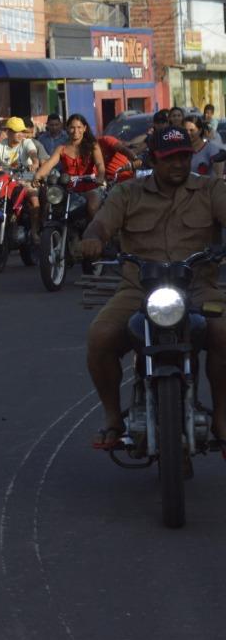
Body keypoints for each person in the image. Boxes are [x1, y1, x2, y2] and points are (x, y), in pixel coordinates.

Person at [80, 126, 226, 451]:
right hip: (138, 289)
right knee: (100, 337)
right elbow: (102, 222)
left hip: (199, 288)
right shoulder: (127, 193)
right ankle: (113, 418)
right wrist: (93, 238)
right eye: (169, 158)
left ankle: (222, 416)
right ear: (153, 160)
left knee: (224, 333)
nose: (177, 164)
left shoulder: (211, 188)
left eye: (183, 157)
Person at [35, 113, 106, 219]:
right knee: (50, 207)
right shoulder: (61, 148)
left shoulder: (92, 145)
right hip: (68, 189)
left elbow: (100, 164)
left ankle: (96, 234)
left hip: (90, 187)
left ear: (84, 128)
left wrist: (100, 176)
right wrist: (37, 176)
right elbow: (49, 164)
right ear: (67, 129)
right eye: (72, 127)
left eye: (79, 127)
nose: (76, 131)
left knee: (92, 208)